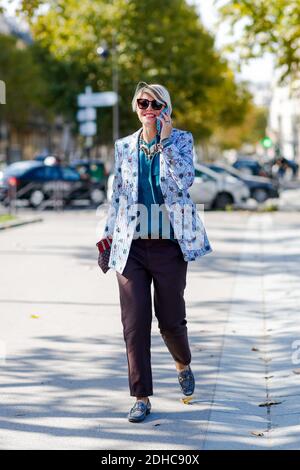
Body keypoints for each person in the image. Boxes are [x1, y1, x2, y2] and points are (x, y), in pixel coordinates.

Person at [101, 81, 213, 422]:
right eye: (142, 103)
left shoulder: (181, 140)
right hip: (131, 245)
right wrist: (105, 237)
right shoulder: (123, 146)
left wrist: (163, 142)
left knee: (170, 320)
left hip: (169, 243)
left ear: (166, 108)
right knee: (134, 323)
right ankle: (141, 397)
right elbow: (117, 195)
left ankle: (183, 363)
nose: (147, 108)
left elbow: (184, 180)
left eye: (154, 103)